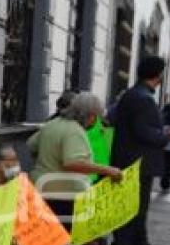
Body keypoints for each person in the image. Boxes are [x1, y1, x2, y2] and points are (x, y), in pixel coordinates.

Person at [110, 57, 170, 245]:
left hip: (132, 159)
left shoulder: (134, 94)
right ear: (157, 75)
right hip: (137, 162)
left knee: (140, 204)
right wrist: (168, 135)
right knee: (133, 205)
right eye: (161, 73)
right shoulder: (142, 98)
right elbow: (143, 132)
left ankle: (139, 242)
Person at [27, 92, 123, 232]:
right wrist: (108, 170)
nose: (95, 121)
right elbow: (73, 162)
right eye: (95, 117)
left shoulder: (52, 124)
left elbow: (31, 145)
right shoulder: (74, 131)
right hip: (62, 191)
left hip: (41, 186)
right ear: (90, 116)